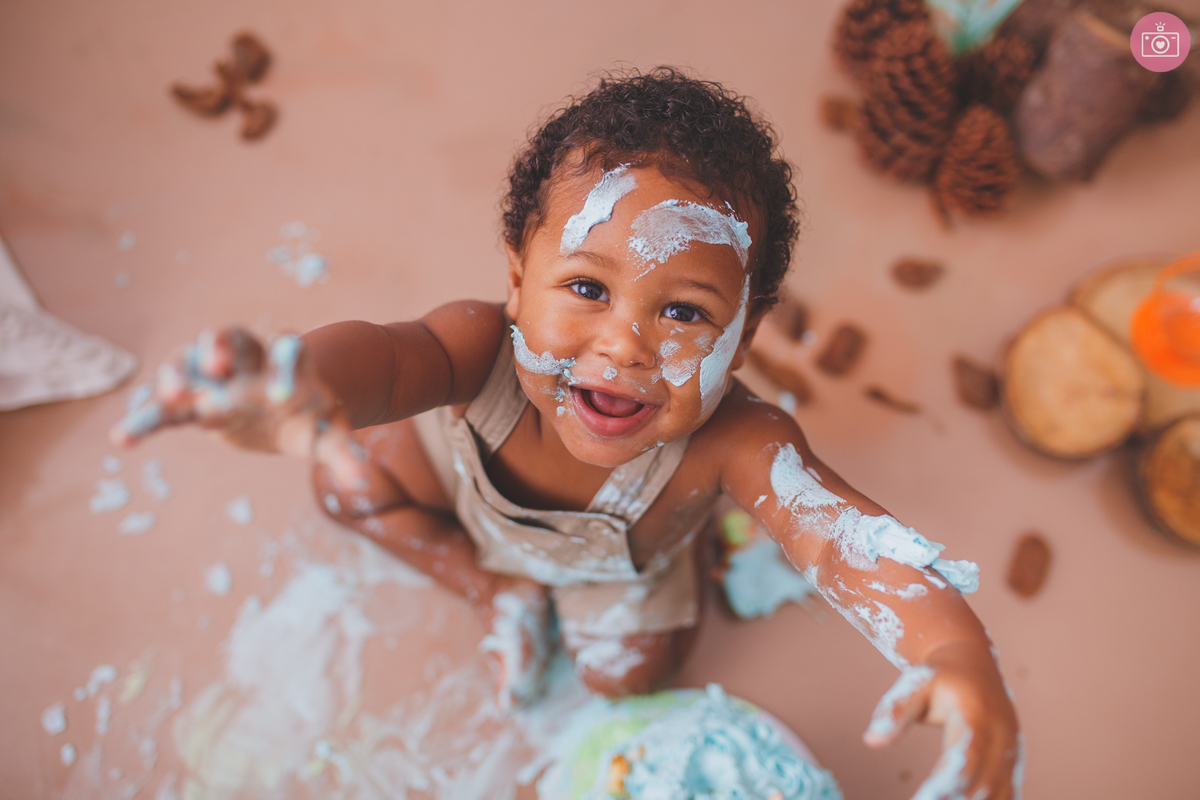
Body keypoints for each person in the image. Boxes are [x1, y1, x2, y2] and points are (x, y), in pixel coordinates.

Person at [113, 68, 1021, 799]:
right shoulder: (475, 347)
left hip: (618, 568)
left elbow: (840, 543)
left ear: (744, 333)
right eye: (586, 288)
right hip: (460, 502)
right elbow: (384, 363)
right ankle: (492, 592)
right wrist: (296, 379)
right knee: (346, 486)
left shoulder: (734, 442)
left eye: (683, 312)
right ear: (517, 278)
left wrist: (953, 654)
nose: (623, 345)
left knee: (628, 677)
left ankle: (694, 564)